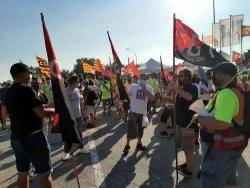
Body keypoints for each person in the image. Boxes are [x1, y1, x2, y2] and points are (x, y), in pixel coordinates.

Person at [194, 62, 248, 188]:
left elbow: (222, 124)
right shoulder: (228, 91)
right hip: (234, 143)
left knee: (212, 179)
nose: (212, 76)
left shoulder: (226, 93)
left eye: (216, 74)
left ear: (228, 76)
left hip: (223, 146)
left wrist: (199, 118)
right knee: (228, 179)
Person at [4, 63, 55, 188]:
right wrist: (57, 110)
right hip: (34, 137)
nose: (30, 75)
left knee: (23, 172)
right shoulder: (27, 90)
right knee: (44, 173)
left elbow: (4, 113)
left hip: (16, 137)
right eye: (29, 73)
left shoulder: (8, 92)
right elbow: (41, 113)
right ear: (24, 74)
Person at [174, 68, 198, 178]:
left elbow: (189, 97)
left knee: (188, 149)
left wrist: (178, 90)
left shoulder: (191, 87)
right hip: (181, 123)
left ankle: (190, 170)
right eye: (178, 76)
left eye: (181, 76)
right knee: (184, 147)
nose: (179, 78)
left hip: (188, 123)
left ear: (187, 77)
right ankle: (187, 164)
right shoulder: (183, 87)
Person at [123, 74, 154, 155]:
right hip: (133, 112)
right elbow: (127, 94)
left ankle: (139, 144)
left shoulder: (149, 87)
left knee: (141, 129)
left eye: (144, 78)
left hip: (143, 113)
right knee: (131, 129)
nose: (143, 80)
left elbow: (153, 98)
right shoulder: (134, 86)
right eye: (142, 78)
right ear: (139, 79)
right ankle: (127, 145)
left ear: (146, 79)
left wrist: (145, 90)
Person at [64, 75, 89, 160]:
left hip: (78, 116)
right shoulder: (65, 91)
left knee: (80, 133)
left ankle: (81, 148)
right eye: (77, 81)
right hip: (69, 117)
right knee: (68, 134)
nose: (79, 83)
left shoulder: (78, 90)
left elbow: (81, 102)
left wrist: (84, 114)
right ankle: (67, 152)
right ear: (73, 82)